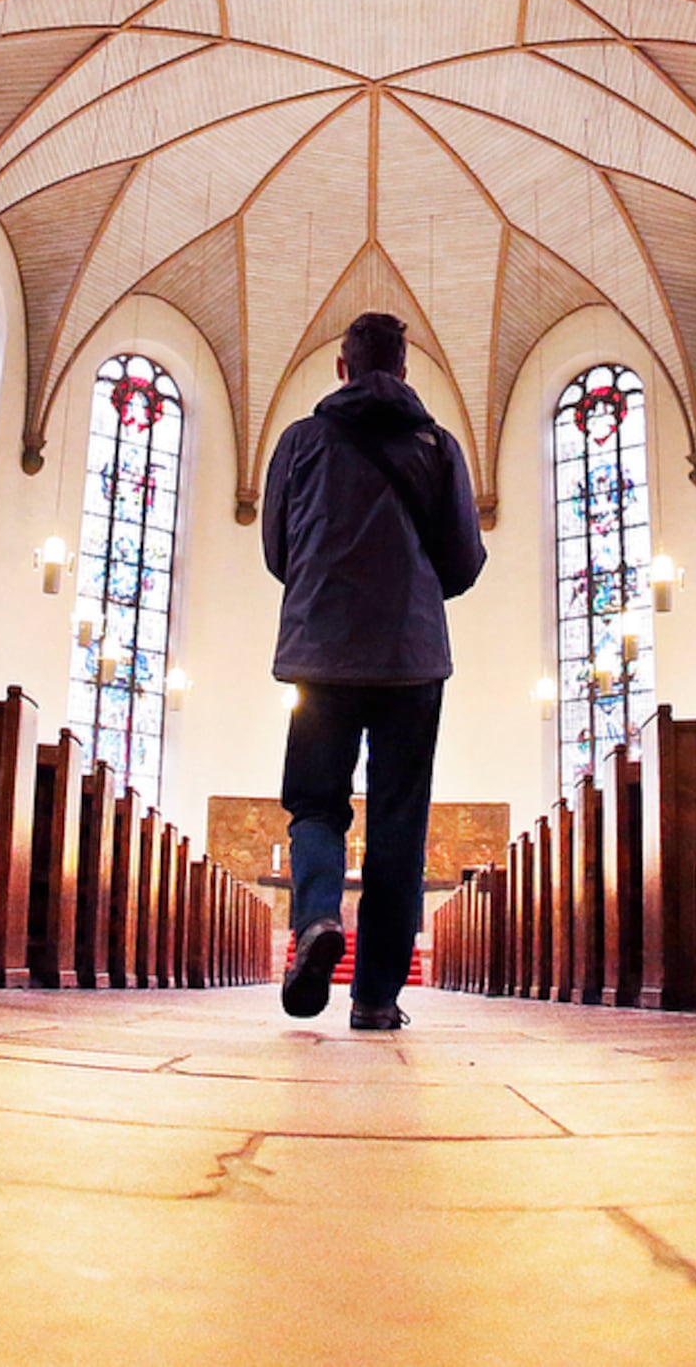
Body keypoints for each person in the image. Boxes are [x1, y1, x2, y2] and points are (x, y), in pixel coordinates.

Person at [264, 310, 484, 1030]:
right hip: (412, 660)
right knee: (399, 822)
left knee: (317, 803)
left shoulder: (299, 440)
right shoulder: (437, 445)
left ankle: (320, 915)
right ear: (405, 368)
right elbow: (464, 559)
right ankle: (377, 997)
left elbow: (276, 548)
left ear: (342, 367)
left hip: (319, 654)